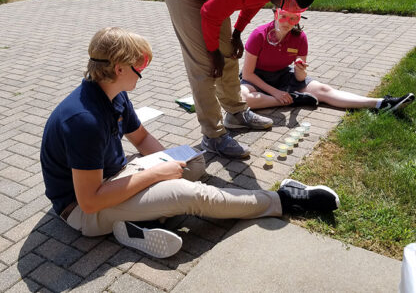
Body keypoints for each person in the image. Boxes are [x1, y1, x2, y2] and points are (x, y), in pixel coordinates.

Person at [41, 27, 340, 259]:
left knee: (192, 161)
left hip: (111, 181)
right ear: (119, 68)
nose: (143, 72)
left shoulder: (112, 94)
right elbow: (90, 200)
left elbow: (142, 138)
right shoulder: (84, 120)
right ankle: (284, 201)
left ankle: (136, 226)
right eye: (139, 65)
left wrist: (169, 165)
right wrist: (158, 175)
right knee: (191, 194)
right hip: (82, 211)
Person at [161, 0, 321, 159]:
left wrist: (237, 32)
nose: (282, 10)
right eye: (287, 5)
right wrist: (212, 51)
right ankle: (213, 136)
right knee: (205, 65)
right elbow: (210, 12)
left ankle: (236, 113)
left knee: (229, 54)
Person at [240, 7, 415, 112]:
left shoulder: (300, 38)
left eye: (294, 18)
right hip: (257, 78)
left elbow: (299, 79)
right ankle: (294, 99)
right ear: (275, 13)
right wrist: (277, 93)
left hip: (284, 75)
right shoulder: (259, 35)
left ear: (299, 18)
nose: (287, 22)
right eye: (283, 15)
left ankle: (381, 103)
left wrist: (301, 72)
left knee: (324, 89)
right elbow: (248, 73)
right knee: (244, 99)